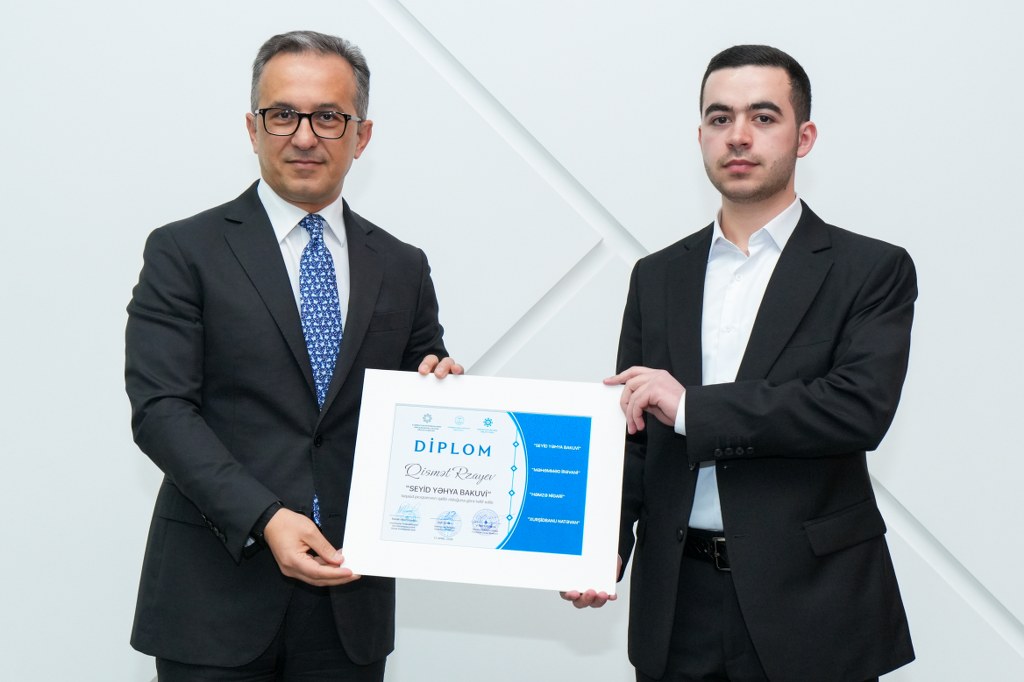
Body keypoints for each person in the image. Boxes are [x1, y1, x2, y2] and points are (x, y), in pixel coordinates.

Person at [564, 45, 916, 681]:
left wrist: (693, 409)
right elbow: (633, 432)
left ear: (804, 137)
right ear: (700, 135)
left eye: (763, 116)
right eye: (720, 118)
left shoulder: (871, 270)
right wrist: (601, 546)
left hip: (812, 604)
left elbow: (856, 409)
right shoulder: (656, 275)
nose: (739, 136)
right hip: (677, 603)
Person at [125, 30, 462, 681]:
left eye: (329, 117)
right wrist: (265, 518)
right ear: (252, 128)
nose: (304, 137)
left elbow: (420, 386)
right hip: (215, 600)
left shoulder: (402, 265)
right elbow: (161, 411)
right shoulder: (184, 251)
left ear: (361, 136)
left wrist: (441, 386)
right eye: (283, 114)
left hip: (350, 602)